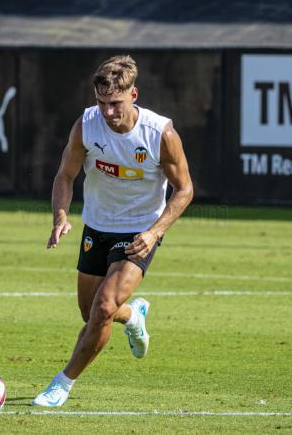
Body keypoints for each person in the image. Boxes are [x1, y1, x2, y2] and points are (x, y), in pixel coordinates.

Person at [32, 55, 193, 407]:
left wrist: (154, 232)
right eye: (101, 103)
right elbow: (65, 175)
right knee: (90, 311)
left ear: (134, 94)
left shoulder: (159, 134)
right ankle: (134, 316)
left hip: (138, 232)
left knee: (104, 308)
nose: (107, 112)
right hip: (97, 225)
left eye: (115, 103)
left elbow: (185, 190)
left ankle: (61, 384)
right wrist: (60, 216)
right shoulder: (86, 125)